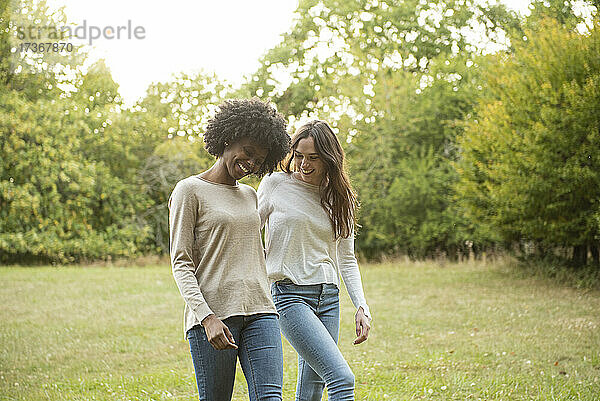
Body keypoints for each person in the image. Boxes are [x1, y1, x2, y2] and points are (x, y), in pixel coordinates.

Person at [169, 98, 291, 401]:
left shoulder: (250, 195)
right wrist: (206, 317)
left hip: (261, 311)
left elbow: (253, 253)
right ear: (227, 139)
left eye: (259, 160)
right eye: (247, 152)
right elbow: (181, 263)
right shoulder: (189, 191)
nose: (250, 163)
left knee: (270, 397)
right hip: (214, 317)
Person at [258, 120, 372, 401]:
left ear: (329, 159)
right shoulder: (275, 184)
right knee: (342, 379)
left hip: (329, 298)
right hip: (289, 296)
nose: (303, 165)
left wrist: (361, 305)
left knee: (312, 387)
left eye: (313, 158)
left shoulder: (340, 197)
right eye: (298, 156)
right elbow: (248, 233)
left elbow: (346, 258)